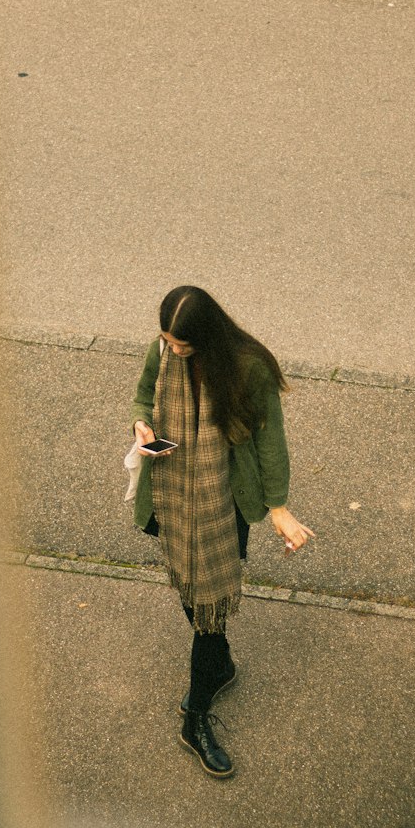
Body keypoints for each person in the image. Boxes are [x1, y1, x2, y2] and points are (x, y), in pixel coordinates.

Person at [130, 286, 315, 778]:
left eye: (182, 345)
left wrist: (279, 507)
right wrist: (142, 426)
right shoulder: (163, 350)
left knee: (207, 602)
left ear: (206, 337)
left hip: (221, 498)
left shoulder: (247, 367)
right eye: (167, 340)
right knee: (194, 593)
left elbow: (271, 438)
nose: (172, 350)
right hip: (170, 490)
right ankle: (221, 665)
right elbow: (144, 392)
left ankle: (195, 720)